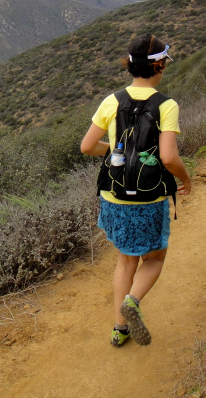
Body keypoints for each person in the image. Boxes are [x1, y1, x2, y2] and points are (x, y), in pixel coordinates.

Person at [80, 34, 192, 347]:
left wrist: (117, 154)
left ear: (130, 66)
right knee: (153, 259)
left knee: (125, 261)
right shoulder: (166, 105)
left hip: (114, 196)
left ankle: (120, 329)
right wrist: (187, 180)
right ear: (159, 66)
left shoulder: (111, 101)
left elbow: (87, 146)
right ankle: (133, 300)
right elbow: (169, 157)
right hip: (149, 197)